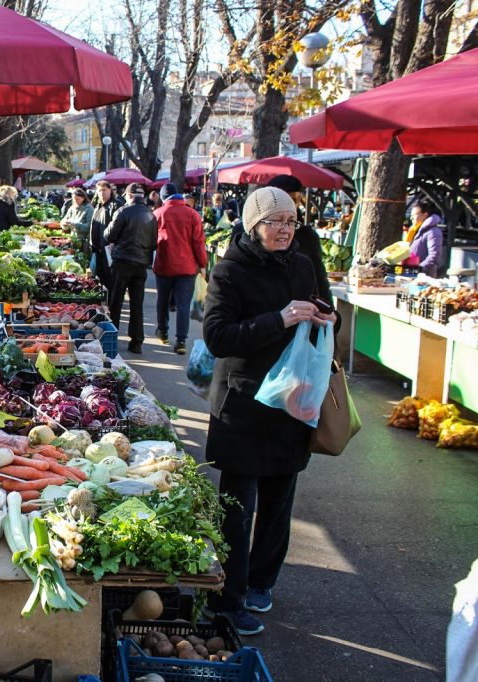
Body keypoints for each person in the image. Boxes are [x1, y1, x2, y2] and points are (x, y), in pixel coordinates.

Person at [201, 186, 337, 637]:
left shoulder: (301, 262)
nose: (283, 230)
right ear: (252, 225)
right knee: (238, 508)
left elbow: (325, 304)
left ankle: (261, 582)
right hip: (243, 404)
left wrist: (323, 316)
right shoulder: (230, 270)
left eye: (290, 222)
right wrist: (279, 318)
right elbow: (219, 337)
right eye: (274, 222)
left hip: (292, 402)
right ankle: (228, 598)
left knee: (281, 500)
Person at [153, 183, 207, 355]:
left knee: (163, 300)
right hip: (187, 267)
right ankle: (181, 341)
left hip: (164, 265)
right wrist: (203, 265)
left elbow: (150, 240)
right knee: (183, 304)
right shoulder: (192, 214)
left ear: (163, 198)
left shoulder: (158, 214)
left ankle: (162, 332)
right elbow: (198, 243)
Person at [104, 184, 158, 353]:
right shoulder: (151, 214)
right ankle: (137, 342)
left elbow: (109, 235)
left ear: (128, 195)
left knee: (116, 301)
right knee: (137, 303)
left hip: (123, 261)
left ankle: (111, 338)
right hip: (141, 264)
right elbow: (154, 242)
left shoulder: (123, 211)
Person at [266, 175, 331, 303]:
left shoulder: (307, 236)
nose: (290, 205)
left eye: (295, 200)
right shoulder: (246, 234)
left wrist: (330, 314)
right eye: (285, 200)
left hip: (299, 311)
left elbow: (319, 280)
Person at [90, 181, 121, 288]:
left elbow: (118, 228)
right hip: (97, 249)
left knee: (110, 279)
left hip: (109, 249)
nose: (101, 193)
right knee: (101, 277)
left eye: (104, 190)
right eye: (99, 190)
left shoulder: (115, 205)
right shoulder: (97, 206)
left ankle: (111, 302)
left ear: (110, 191)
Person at [407, 200, 444, 277]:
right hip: (411, 272)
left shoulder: (433, 232)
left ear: (425, 214)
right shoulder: (415, 230)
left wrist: (419, 269)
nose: (411, 218)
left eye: (414, 215)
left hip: (424, 276)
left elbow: (434, 256)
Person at [62, 188, 95, 260]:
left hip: (84, 241)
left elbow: (90, 226)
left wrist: (75, 225)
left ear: (83, 198)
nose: (75, 201)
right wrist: (64, 224)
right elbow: (64, 219)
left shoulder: (89, 209)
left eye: (77, 199)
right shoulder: (72, 208)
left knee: (83, 260)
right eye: (74, 199)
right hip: (74, 240)